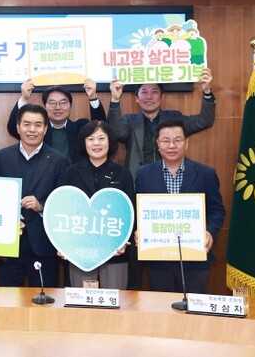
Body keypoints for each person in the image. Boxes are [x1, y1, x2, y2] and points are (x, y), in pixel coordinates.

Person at [107, 67, 216, 289]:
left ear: (162, 96)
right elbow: (116, 132)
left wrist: (206, 92)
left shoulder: (174, 119)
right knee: (142, 263)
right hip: (143, 189)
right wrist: (115, 100)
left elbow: (203, 120)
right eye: (144, 92)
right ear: (136, 98)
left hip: (177, 192)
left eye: (154, 91)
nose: (149, 96)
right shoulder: (129, 120)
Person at [135, 119, 225, 294]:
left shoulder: (206, 173)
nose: (172, 145)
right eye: (166, 141)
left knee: (194, 307)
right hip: (158, 259)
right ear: (158, 144)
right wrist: (140, 230)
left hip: (194, 258)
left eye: (177, 140)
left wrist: (209, 232)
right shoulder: (144, 174)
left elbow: (216, 210)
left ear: (186, 143)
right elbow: (138, 210)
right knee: (161, 307)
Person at [0, 104, 69, 288]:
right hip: (9, 245)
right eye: (27, 124)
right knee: (9, 299)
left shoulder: (59, 161)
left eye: (38, 125)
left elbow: (64, 203)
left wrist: (41, 205)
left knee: (45, 298)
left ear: (45, 129)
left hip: (44, 245)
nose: (32, 129)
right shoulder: (0, 157)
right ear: (18, 127)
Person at [59, 120, 135, 289]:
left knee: (115, 299)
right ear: (84, 143)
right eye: (91, 139)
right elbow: (63, 211)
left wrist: (124, 241)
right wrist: (63, 244)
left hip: (115, 251)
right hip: (80, 252)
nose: (96, 143)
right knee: (81, 300)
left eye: (101, 138)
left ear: (110, 142)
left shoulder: (123, 175)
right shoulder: (70, 173)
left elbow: (130, 212)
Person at [6, 79, 106, 164]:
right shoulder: (39, 129)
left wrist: (93, 97)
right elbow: (13, 128)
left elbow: (102, 128)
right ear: (45, 106)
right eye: (52, 103)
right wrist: (24, 98)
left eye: (63, 103)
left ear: (70, 106)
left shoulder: (81, 127)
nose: (58, 107)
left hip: (74, 178)